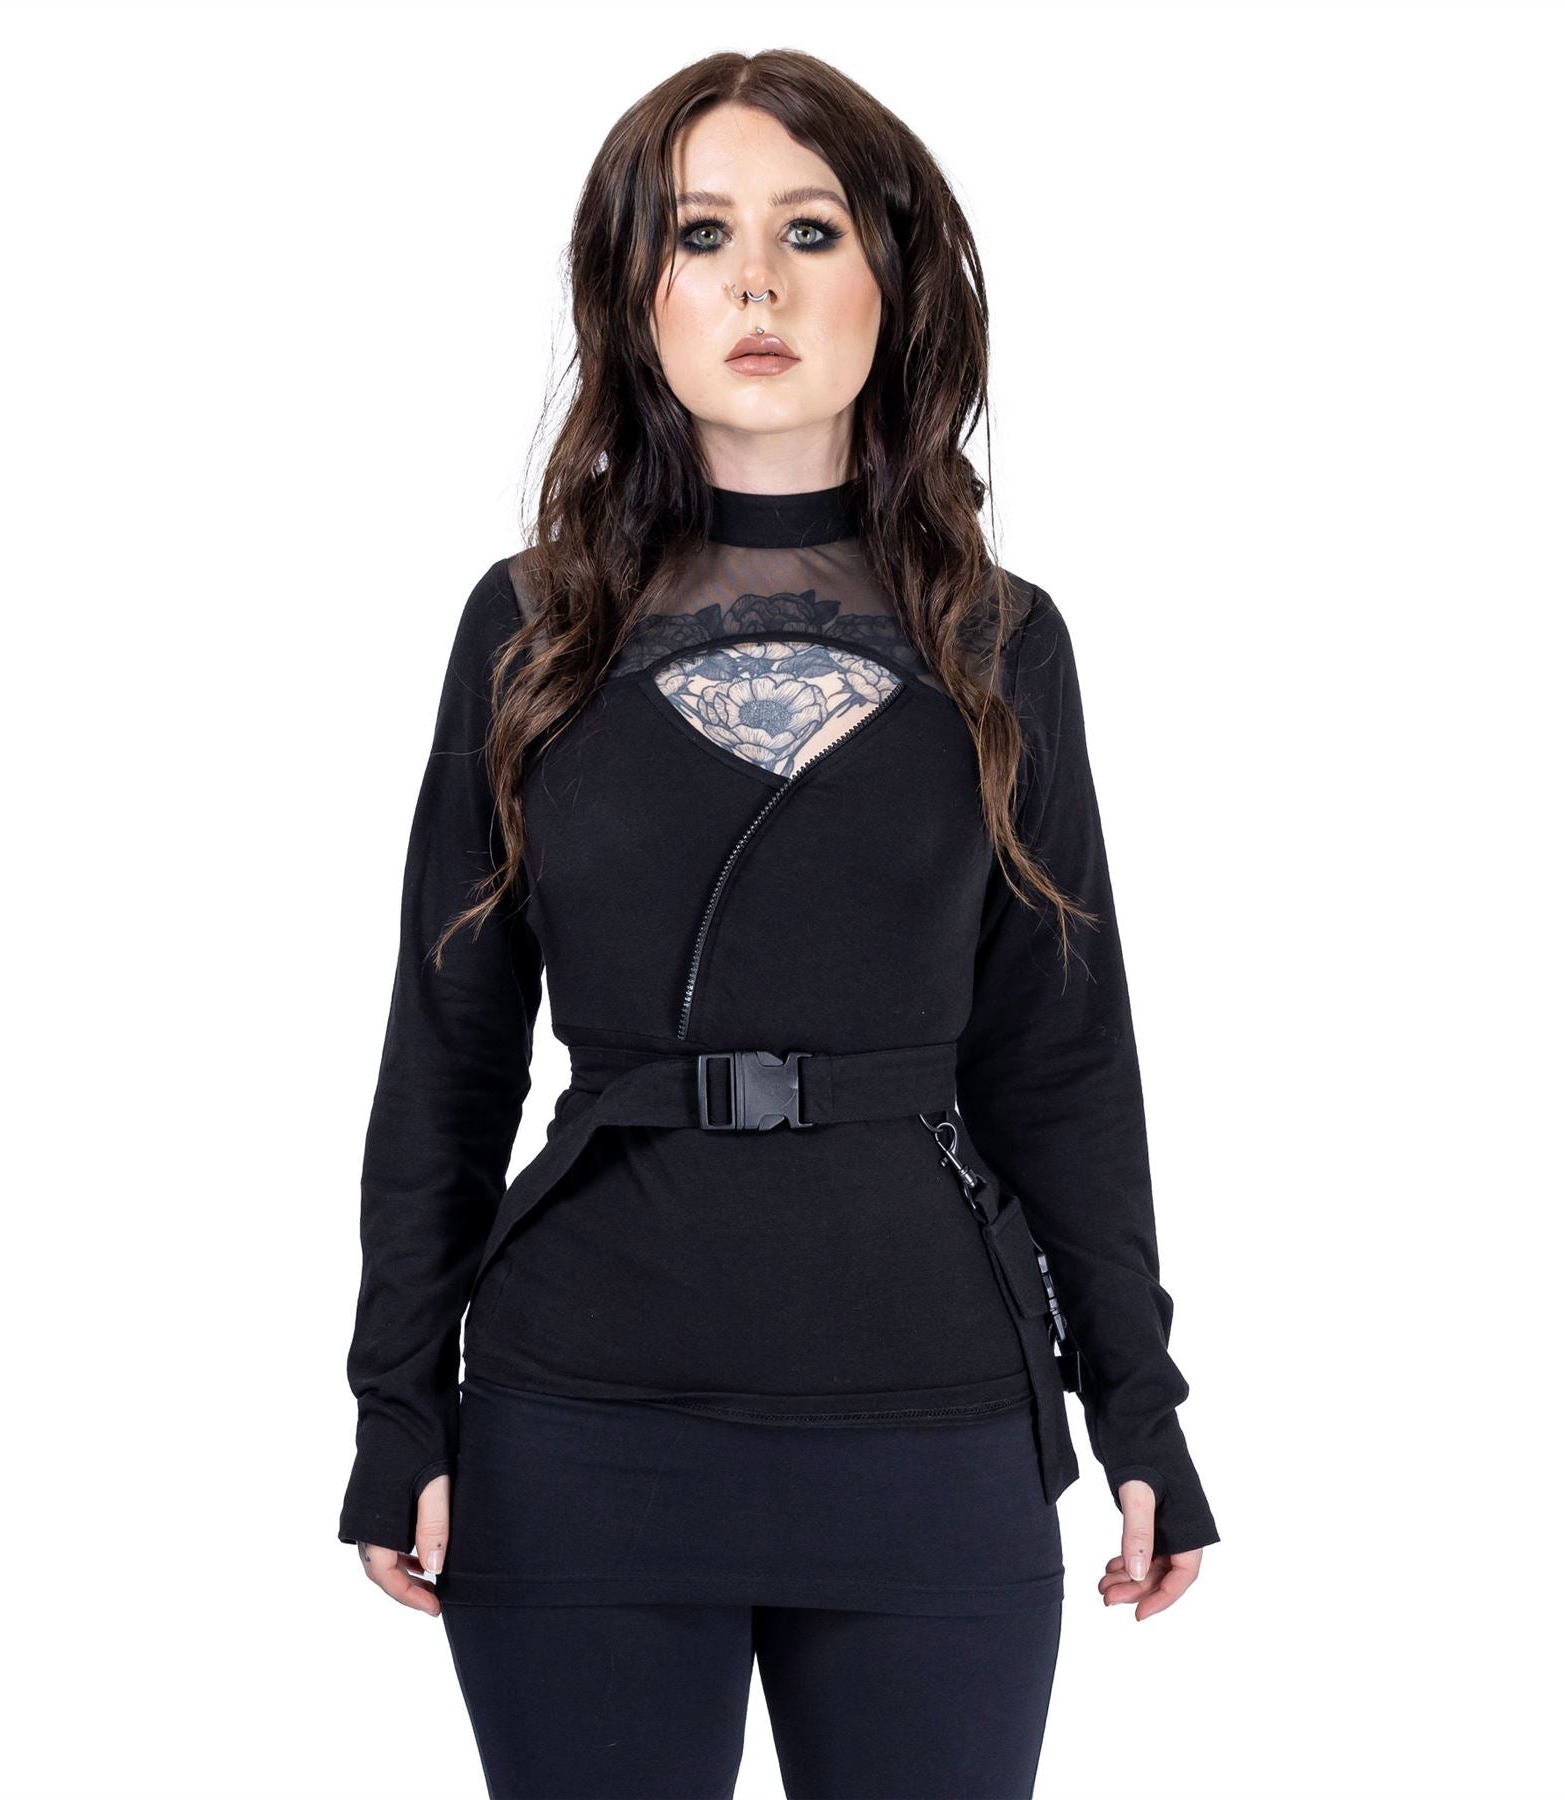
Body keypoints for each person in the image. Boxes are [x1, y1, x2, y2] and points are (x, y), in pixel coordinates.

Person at [338, 48, 1220, 1800]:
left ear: (893, 281)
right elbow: (448, 1053)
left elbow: (1062, 1060)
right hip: (580, 1427)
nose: (757, 283)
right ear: (633, 294)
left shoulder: (1004, 644)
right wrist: (396, 1405)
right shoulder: (525, 631)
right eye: (701, 235)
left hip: (933, 1420)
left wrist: (1140, 1401)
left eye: (810, 232)